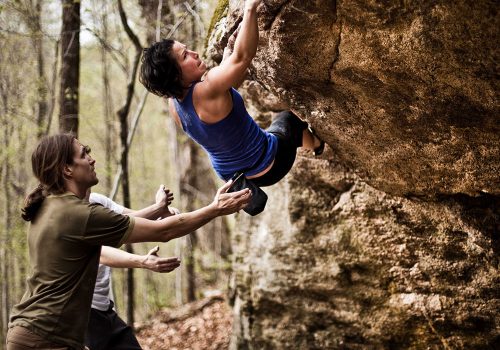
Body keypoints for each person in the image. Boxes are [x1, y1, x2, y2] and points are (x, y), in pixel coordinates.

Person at [6, 133, 250, 350]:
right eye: (84, 154)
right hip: (45, 337)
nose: (92, 159)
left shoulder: (51, 205)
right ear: (67, 170)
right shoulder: (78, 214)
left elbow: (125, 221)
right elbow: (163, 232)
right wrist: (215, 209)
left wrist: (157, 208)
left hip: (38, 332)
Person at [139, 0, 325, 189]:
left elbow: (222, 95)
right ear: (175, 75)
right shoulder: (208, 88)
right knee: (287, 118)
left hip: (241, 181)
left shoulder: (175, 106)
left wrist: (228, 53)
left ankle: (311, 145)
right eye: (185, 55)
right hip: (272, 165)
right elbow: (243, 56)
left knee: (271, 128)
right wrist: (250, 8)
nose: (194, 53)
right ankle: (317, 145)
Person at [86, 188, 180, 350]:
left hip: (102, 309)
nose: (91, 161)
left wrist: (163, 213)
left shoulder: (97, 200)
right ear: (67, 170)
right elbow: (99, 252)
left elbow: (133, 220)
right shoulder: (72, 213)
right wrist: (142, 261)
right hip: (80, 314)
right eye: (83, 159)